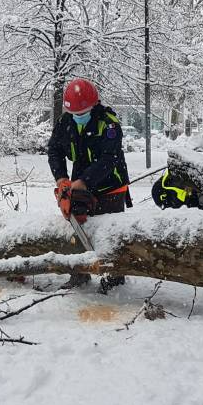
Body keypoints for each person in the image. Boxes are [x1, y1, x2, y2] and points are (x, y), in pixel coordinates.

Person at [48, 78, 131, 292]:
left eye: (83, 111)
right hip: (77, 182)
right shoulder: (65, 122)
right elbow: (54, 150)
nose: (79, 116)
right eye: (75, 112)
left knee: (109, 233)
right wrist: (61, 178)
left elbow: (109, 158)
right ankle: (79, 273)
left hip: (110, 184)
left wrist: (85, 181)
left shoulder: (108, 122)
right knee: (78, 228)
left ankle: (114, 279)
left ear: (94, 104)